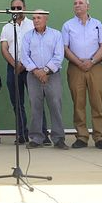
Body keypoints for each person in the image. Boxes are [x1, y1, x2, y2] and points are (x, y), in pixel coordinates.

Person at [0, 0, 50, 145]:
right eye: (13, 8)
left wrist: (23, 63)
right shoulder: (7, 27)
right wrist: (14, 64)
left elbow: (35, 46)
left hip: (31, 68)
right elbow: (4, 48)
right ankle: (22, 134)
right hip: (13, 68)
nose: (16, 10)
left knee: (36, 102)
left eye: (18, 7)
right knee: (17, 102)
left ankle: (43, 134)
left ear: (24, 8)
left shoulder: (32, 24)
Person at [61, 0, 102, 149]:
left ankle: (99, 137)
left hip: (95, 66)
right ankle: (81, 136)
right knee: (78, 103)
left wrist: (92, 61)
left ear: (88, 6)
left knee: (97, 102)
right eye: (75, 3)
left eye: (80, 3)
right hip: (76, 67)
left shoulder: (97, 24)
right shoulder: (68, 25)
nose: (77, 5)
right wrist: (79, 62)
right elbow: (65, 48)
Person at [21, 11, 68, 150]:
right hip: (33, 75)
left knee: (55, 105)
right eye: (34, 18)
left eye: (39, 18)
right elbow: (24, 56)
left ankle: (58, 138)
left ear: (46, 19)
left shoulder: (56, 34)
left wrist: (46, 71)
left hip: (52, 75)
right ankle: (36, 138)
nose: (36, 20)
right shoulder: (27, 36)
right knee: (35, 106)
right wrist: (37, 71)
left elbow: (59, 55)